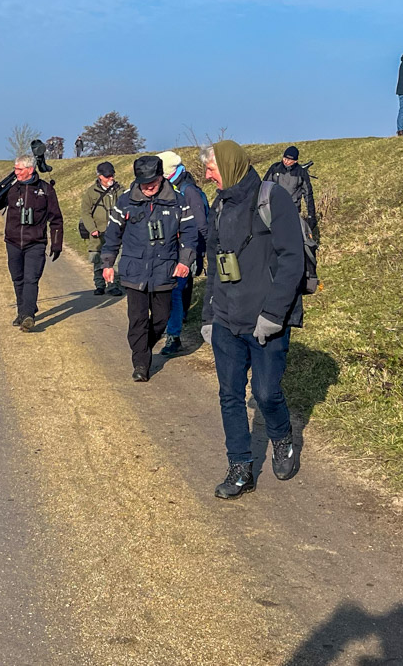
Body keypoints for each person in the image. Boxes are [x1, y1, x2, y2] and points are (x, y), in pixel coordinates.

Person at [198, 140, 305, 498]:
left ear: (228, 166)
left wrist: (274, 314)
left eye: (211, 169)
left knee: (265, 392)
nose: (208, 175)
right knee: (229, 395)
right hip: (227, 318)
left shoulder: (273, 198)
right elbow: (214, 264)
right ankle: (240, 467)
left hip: (265, 320)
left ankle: (282, 435)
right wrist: (209, 314)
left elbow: (292, 259)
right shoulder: (219, 205)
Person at [101, 156, 197, 382]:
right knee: (137, 319)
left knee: (161, 318)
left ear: (161, 177)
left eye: (152, 183)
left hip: (165, 270)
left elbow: (190, 233)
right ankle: (141, 364)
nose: (147, 188)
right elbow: (113, 235)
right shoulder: (125, 201)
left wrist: (185, 261)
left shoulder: (178, 201)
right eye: (143, 184)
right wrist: (108, 264)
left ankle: (143, 347)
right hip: (134, 271)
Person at [0, 153, 62, 332]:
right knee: (17, 278)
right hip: (13, 242)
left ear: (30, 169)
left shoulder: (46, 190)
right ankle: (22, 311)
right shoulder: (12, 189)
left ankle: (28, 315)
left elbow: (56, 218)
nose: (16, 172)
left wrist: (56, 243)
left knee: (31, 279)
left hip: (35, 242)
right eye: (15, 168)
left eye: (19, 169)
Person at [157, 150, 208, 355]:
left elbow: (201, 225)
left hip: (184, 251)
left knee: (175, 293)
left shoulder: (189, 192)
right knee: (168, 292)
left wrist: (199, 254)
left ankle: (174, 337)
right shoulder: (175, 187)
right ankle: (169, 329)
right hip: (169, 250)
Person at [79, 161, 124, 296]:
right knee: (97, 258)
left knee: (115, 259)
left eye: (112, 175)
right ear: (100, 176)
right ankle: (99, 285)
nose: (110, 179)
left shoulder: (119, 190)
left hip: (116, 231)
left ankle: (113, 285)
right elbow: (85, 212)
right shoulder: (91, 192)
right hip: (98, 233)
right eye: (107, 176)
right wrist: (92, 228)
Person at [263, 146, 318, 228]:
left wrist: (311, 216)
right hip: (274, 209)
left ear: (295, 161)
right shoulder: (275, 168)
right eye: (284, 158)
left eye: (289, 160)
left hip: (292, 211)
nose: (286, 161)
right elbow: (264, 187)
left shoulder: (301, 173)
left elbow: (308, 195)